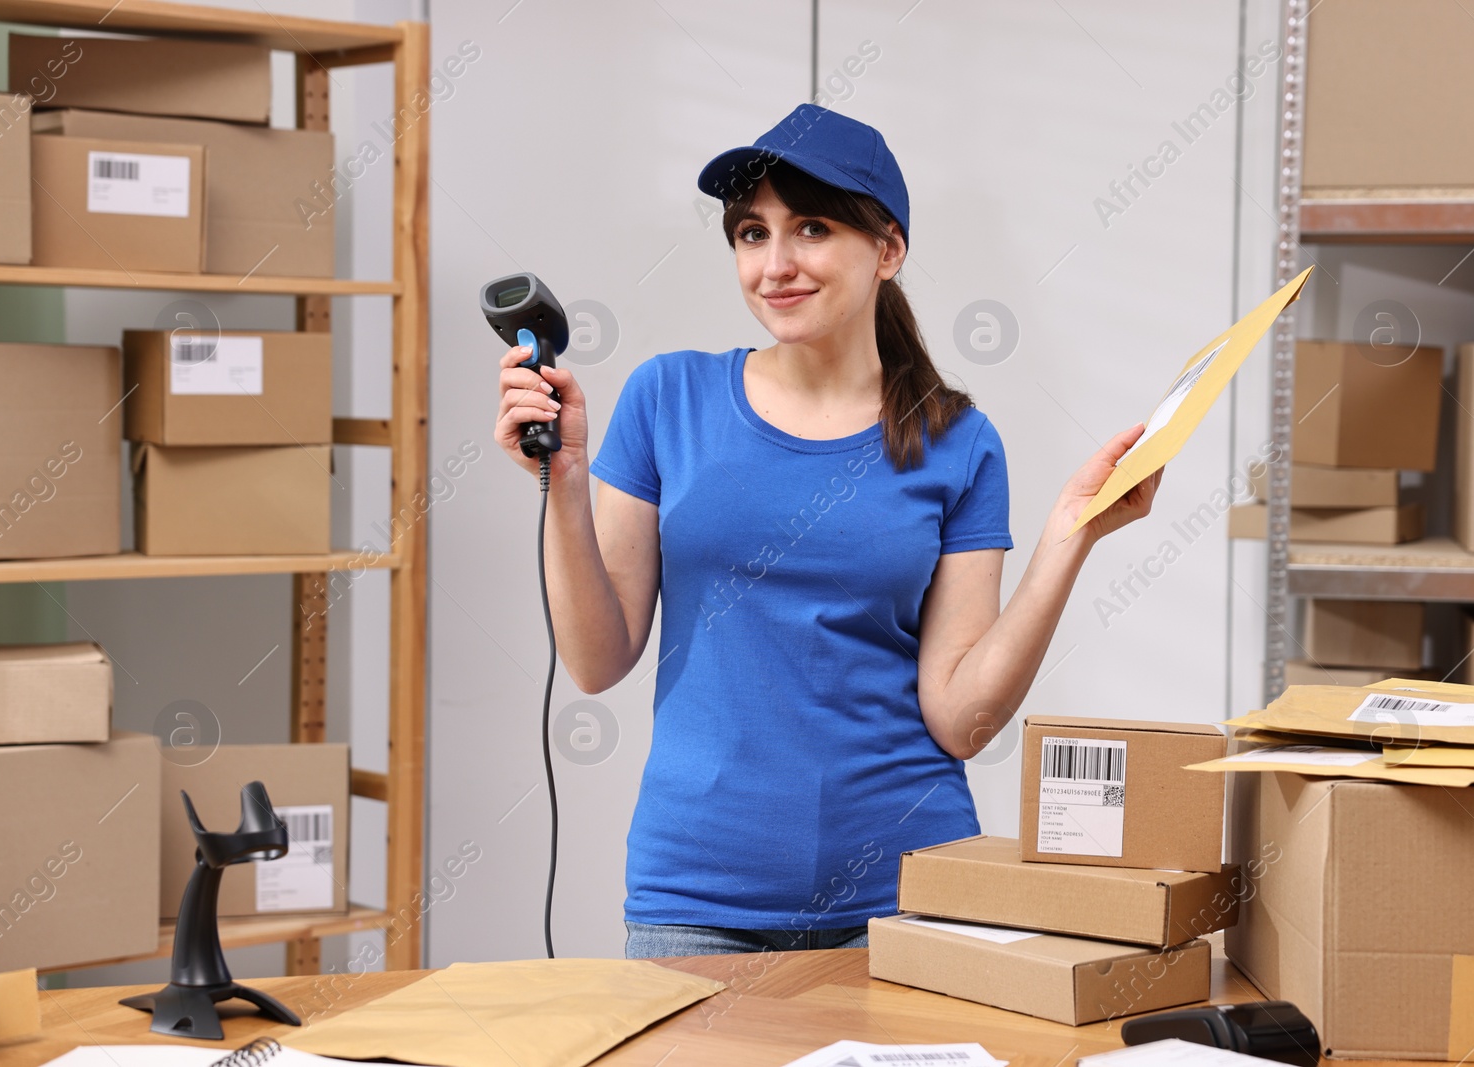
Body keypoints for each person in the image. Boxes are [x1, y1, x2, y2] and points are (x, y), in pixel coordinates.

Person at [494, 103, 1162, 959]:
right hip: (696, 901)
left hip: (908, 895)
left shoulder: (956, 440)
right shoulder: (669, 400)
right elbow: (596, 659)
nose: (775, 266)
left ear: (888, 248)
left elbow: (961, 718)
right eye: (750, 233)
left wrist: (1068, 537)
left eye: (810, 228)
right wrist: (566, 482)